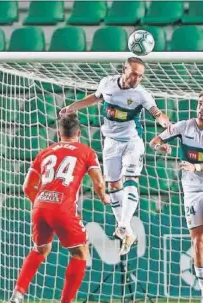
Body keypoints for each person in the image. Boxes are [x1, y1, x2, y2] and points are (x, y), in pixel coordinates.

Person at [59, 57, 171, 256]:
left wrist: (165, 124)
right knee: (113, 186)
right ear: (124, 69)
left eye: (140, 76)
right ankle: (126, 230)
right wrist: (71, 107)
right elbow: (95, 97)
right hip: (110, 142)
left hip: (132, 142)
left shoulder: (141, 94)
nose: (136, 78)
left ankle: (124, 225)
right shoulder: (107, 83)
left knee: (130, 178)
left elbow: (157, 113)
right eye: (134, 73)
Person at [8, 114, 110, 303]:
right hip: (63, 206)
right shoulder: (86, 152)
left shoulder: (45, 152)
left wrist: (42, 204)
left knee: (40, 249)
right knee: (80, 253)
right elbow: (98, 183)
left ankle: (17, 294)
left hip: (40, 205)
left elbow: (27, 186)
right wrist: (105, 198)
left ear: (59, 133)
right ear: (79, 133)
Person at [149, 90, 203, 303]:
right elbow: (154, 140)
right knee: (197, 241)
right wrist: (161, 146)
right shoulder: (184, 127)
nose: (202, 108)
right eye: (200, 104)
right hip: (192, 191)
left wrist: (197, 166)